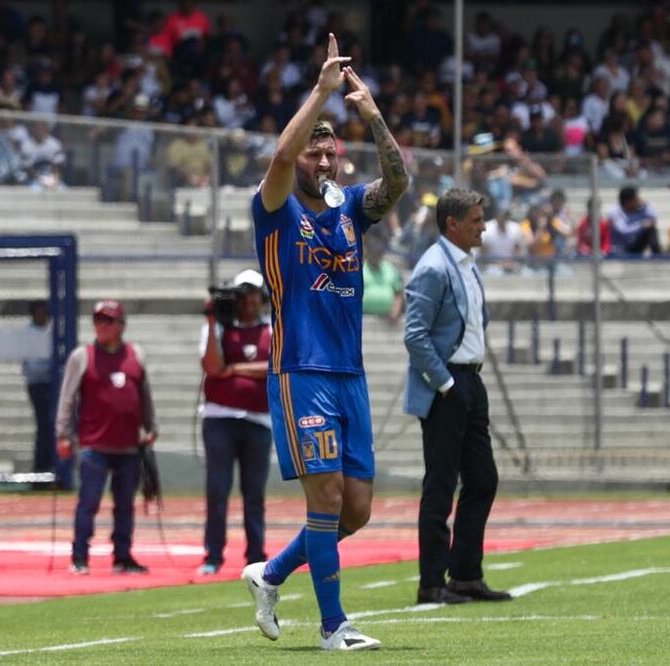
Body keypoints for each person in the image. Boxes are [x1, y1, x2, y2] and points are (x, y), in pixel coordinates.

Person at [242, 33, 408, 652]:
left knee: (356, 510)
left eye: (332, 153)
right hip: (300, 370)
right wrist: (320, 93)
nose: (326, 162)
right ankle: (334, 625)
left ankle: (272, 573)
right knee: (327, 496)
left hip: (350, 373)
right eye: (318, 153)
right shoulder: (275, 207)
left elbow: (398, 182)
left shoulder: (348, 207)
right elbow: (281, 160)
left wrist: (370, 114)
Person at [403, 187, 513, 606]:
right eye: (475, 220)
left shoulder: (466, 264)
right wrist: (444, 384)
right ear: (452, 223)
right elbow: (414, 334)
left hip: (471, 380)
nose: (483, 226)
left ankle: (465, 574)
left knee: (483, 479)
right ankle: (431, 583)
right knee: (441, 484)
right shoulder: (433, 267)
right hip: (447, 385)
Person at [56, 299, 158, 575]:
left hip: (128, 444)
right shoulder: (82, 356)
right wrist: (62, 434)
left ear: (121, 326)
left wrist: (151, 426)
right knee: (88, 502)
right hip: (94, 444)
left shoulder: (135, 354)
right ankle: (79, 556)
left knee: (125, 505)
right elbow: (67, 398)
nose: (102, 326)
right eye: (98, 320)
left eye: (109, 321)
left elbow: (144, 393)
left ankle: (122, 556)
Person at [198, 270, 272, 575]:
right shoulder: (218, 329)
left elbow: (275, 365)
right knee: (218, 488)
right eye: (243, 294)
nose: (249, 300)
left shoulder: (273, 328)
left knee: (254, 492)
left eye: (254, 293)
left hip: (258, 420)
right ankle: (213, 555)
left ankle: (256, 555)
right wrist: (214, 320)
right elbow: (213, 368)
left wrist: (237, 368)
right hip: (220, 418)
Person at [22, 300, 54, 480]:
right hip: (37, 383)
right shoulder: (30, 334)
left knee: (51, 425)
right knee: (43, 425)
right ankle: (41, 466)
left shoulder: (52, 332)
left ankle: (49, 463)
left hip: (51, 383)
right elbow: (32, 365)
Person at [361, 232, 404, 325]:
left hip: (388, 320)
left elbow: (398, 293)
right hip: (364, 319)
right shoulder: (360, 270)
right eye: (374, 253)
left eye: (379, 253)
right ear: (369, 253)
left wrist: (395, 310)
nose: (376, 255)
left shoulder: (390, 269)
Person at [608, 186, 661, 256]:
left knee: (651, 230)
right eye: (636, 199)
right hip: (620, 249)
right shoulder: (614, 212)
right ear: (628, 202)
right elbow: (623, 230)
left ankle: (657, 257)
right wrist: (641, 225)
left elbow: (653, 217)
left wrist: (646, 205)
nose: (638, 200)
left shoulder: (639, 209)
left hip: (635, 245)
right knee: (646, 227)